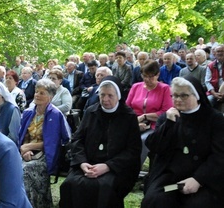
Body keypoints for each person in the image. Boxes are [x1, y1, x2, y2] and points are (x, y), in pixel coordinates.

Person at [141, 75, 224, 208]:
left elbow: (220, 155)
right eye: (174, 96)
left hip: (204, 179)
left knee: (198, 204)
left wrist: (198, 179)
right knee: (156, 200)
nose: (178, 100)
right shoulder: (167, 117)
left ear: (197, 95)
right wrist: (168, 124)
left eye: (184, 95)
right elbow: (154, 146)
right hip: (170, 180)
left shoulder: (214, 119)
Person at [60, 76, 141, 208]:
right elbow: (77, 139)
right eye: (102, 94)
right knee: (70, 184)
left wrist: (108, 166)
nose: (105, 99)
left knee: (104, 188)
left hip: (115, 168)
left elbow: (133, 150)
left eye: (110, 95)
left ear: (118, 96)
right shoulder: (91, 111)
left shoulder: (129, 116)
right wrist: (82, 162)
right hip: (87, 163)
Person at [18, 79, 71, 206]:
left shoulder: (56, 115)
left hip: (47, 155)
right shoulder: (28, 113)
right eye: (36, 92)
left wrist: (29, 146)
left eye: (42, 93)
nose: (37, 95)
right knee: (11, 168)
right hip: (26, 153)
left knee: (24, 171)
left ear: (51, 97)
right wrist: (26, 149)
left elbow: (54, 142)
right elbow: (23, 135)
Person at [126, 60, 173, 167]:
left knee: (143, 140)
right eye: (145, 76)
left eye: (151, 76)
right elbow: (127, 107)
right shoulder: (136, 86)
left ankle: (133, 170)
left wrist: (145, 116)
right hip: (134, 123)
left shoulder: (165, 89)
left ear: (158, 75)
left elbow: (166, 112)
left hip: (154, 125)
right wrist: (135, 123)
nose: (147, 80)